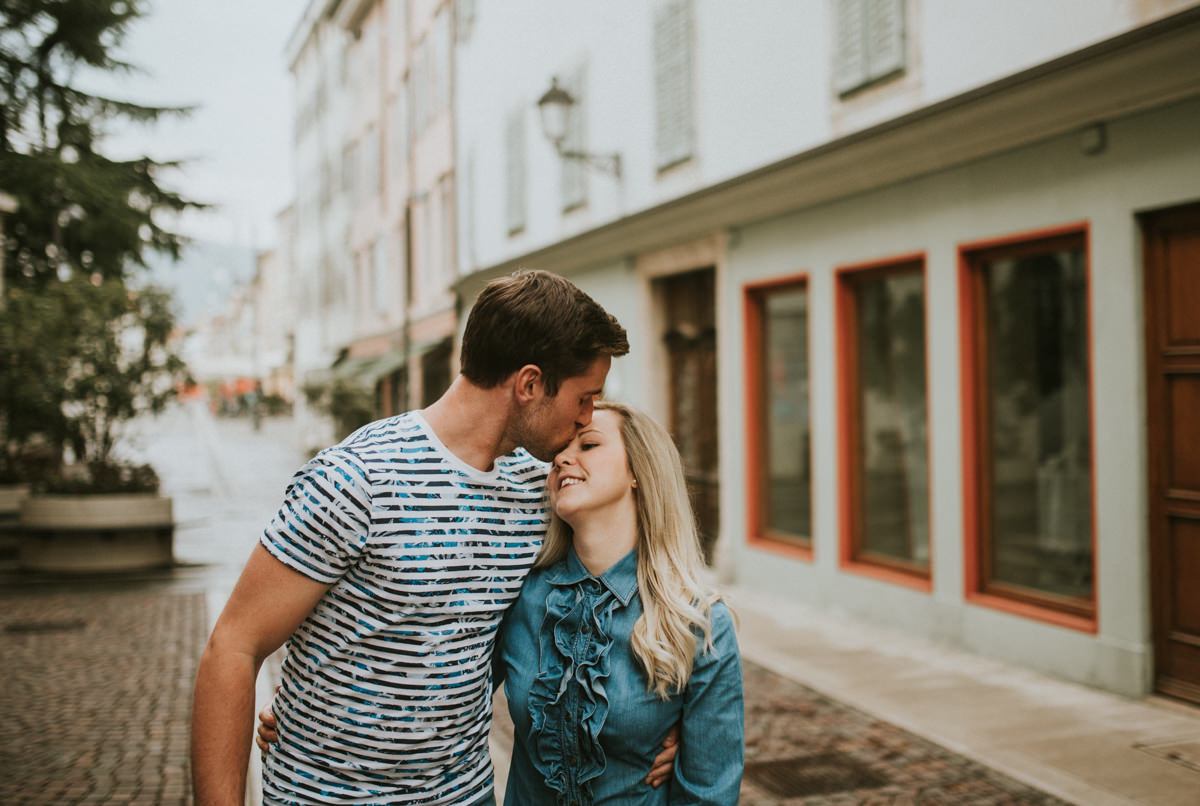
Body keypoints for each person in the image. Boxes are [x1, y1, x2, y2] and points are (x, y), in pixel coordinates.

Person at [191, 270, 677, 806]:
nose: (589, 416)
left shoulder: (538, 493)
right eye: (585, 398)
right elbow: (232, 649)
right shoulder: (357, 480)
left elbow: (615, 587)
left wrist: (663, 723)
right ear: (530, 384)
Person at [261, 402, 744, 804]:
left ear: (641, 473)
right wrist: (316, 711)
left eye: (589, 445)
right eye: (560, 452)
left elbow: (709, 790)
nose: (561, 460)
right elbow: (441, 686)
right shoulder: (523, 596)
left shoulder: (699, 622)